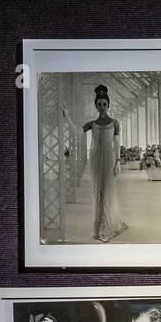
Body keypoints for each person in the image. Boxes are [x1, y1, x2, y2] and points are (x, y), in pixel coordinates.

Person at [62, 84, 128, 242]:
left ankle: (107, 225)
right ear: (96, 106)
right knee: (98, 191)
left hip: (110, 159)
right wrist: (67, 116)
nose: (102, 107)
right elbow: (78, 131)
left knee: (107, 191)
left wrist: (118, 161)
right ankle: (99, 226)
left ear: (108, 105)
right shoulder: (92, 123)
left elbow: (117, 143)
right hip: (96, 159)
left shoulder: (115, 123)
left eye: (104, 104)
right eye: (99, 104)